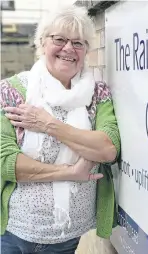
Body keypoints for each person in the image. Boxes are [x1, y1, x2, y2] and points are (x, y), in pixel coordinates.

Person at [0, 5, 120, 254]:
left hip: (67, 236)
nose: (68, 48)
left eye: (78, 42)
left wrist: (47, 124)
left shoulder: (97, 94)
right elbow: (6, 162)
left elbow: (107, 149)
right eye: (59, 39)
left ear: (86, 50)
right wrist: (70, 172)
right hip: (14, 232)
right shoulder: (11, 91)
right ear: (42, 43)